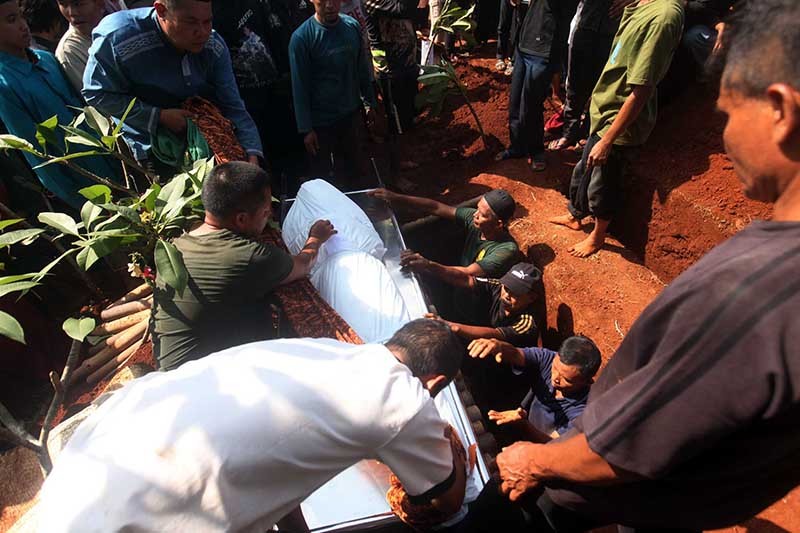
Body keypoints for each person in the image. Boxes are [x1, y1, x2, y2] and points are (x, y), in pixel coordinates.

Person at [492, 2, 800, 531]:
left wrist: (530, 459)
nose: (723, 138)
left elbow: (625, 449)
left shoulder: (757, 290)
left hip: (601, 503)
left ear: (779, 109)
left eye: (726, 114)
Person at [39, 319, 467, 532]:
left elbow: (270, 455)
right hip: (143, 515)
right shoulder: (404, 400)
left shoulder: (320, 349)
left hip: (96, 462)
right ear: (437, 383)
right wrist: (453, 447)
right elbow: (444, 500)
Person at [152, 161, 336, 371]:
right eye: (266, 212)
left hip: (169, 369)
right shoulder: (248, 256)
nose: (270, 217)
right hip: (200, 382)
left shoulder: (178, 244)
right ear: (241, 219)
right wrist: (316, 238)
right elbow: (304, 264)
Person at [549, 0, 684, 258]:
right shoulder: (641, 5)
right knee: (584, 170)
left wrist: (609, 139)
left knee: (603, 184)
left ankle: (597, 236)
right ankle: (575, 215)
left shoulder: (663, 16)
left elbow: (642, 88)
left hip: (618, 121)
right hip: (604, 109)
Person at [83, 0, 264, 168]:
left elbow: (232, 105)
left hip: (209, 142)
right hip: (151, 150)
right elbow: (96, 94)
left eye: (207, 21)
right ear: (162, 11)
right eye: (190, 22)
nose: (201, 32)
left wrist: (252, 154)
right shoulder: (116, 38)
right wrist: (158, 116)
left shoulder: (213, 45)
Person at [0, 0, 121, 209]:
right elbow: (37, 156)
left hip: (110, 163)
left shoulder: (46, 59)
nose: (23, 25)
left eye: (20, 15)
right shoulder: (5, 85)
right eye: (11, 20)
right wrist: (83, 205)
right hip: (82, 185)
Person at [211, 0, 307, 183]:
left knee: (292, 150)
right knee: (264, 157)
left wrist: (284, 72)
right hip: (247, 101)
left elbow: (272, 33)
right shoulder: (211, 13)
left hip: (276, 89)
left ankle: (298, 189)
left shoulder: (255, 3)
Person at [289, 0, 376, 188]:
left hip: (351, 114)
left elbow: (362, 69)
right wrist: (306, 129)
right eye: (323, 1)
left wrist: (370, 103)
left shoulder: (351, 27)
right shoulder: (302, 38)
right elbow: (299, 85)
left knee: (355, 168)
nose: (329, 5)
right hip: (322, 123)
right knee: (325, 177)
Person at [494, 0, 579, 172]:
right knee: (515, 103)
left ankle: (536, 151)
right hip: (525, 44)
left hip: (545, 48)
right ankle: (517, 146)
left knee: (531, 105)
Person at [370, 188, 520, 284]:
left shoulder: (505, 250)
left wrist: (427, 265)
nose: (475, 214)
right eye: (477, 209)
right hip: (455, 288)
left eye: (483, 215)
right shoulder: (475, 221)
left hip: (473, 307)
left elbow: (467, 273)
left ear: (499, 224)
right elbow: (435, 207)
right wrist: (395, 197)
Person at [468, 335, 600, 443]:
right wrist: (499, 346)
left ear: (587, 381)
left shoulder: (584, 412)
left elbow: (553, 444)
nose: (555, 378)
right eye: (555, 368)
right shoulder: (550, 358)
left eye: (567, 379)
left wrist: (524, 424)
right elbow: (516, 354)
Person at [548, 0, 636, 151]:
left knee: (603, 86)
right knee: (575, 85)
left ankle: (590, 134)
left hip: (613, 29)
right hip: (585, 24)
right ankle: (569, 133)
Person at [427, 261, 541, 347]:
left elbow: (495, 334)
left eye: (515, 293)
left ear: (531, 298)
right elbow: (466, 279)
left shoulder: (527, 322)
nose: (506, 294)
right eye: (506, 288)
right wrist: (428, 265)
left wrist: (452, 326)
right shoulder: (497, 285)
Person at [56, 0, 107, 92]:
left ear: (100, 3)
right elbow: (96, 97)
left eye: (78, 4)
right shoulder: (70, 51)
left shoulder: (122, 21)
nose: (72, 13)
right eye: (63, 4)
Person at [682, 0, 735, 70]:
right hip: (693, 22)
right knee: (695, 37)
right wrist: (717, 23)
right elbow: (696, 7)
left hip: (720, 21)